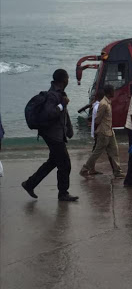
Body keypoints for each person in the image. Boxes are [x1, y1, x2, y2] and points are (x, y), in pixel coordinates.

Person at [22, 69, 79, 201]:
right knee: (65, 164)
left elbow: (64, 113)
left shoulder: (58, 93)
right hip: (53, 136)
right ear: (63, 80)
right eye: (67, 78)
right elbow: (50, 113)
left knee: (53, 162)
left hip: (56, 134)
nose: (68, 81)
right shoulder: (53, 95)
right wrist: (61, 105)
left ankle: (29, 184)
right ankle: (63, 193)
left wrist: (69, 129)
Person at [80, 85, 125, 179]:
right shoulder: (103, 104)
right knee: (97, 152)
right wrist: (96, 132)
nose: (114, 92)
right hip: (104, 133)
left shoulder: (107, 102)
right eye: (113, 91)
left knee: (114, 151)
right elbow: (97, 120)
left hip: (110, 131)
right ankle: (85, 169)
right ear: (109, 92)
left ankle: (117, 171)